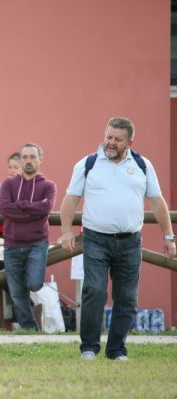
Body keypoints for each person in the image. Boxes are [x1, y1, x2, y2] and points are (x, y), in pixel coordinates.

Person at [60, 117, 176, 361]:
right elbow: (70, 199)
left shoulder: (143, 165)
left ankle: (116, 350)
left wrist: (168, 236)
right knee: (94, 291)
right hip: (95, 239)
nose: (110, 143)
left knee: (127, 297)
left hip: (130, 241)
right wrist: (66, 231)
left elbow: (157, 201)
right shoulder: (87, 164)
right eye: (108, 137)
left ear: (130, 142)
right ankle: (89, 348)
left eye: (117, 139)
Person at [0, 143, 56, 330]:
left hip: (37, 244)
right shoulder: (8, 183)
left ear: (40, 160)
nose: (28, 161)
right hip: (12, 244)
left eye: (32, 157)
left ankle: (31, 325)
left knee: (33, 283)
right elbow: (3, 208)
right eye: (24, 157)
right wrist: (32, 209)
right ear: (20, 160)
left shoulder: (48, 186)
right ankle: (30, 329)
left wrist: (20, 205)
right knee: (16, 293)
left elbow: (46, 208)